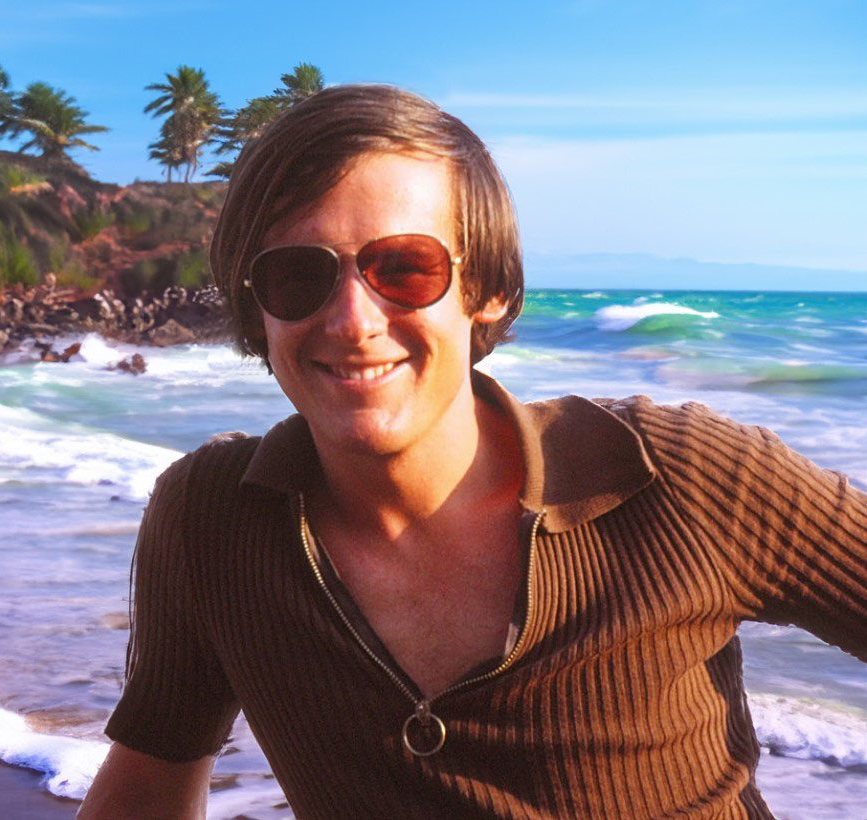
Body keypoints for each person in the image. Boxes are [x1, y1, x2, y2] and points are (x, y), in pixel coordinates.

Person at [80, 85, 867, 819]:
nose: (353, 320)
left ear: (485, 288)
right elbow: (147, 784)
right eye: (297, 275)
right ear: (257, 310)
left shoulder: (676, 477)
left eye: (404, 268)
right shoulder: (213, 522)